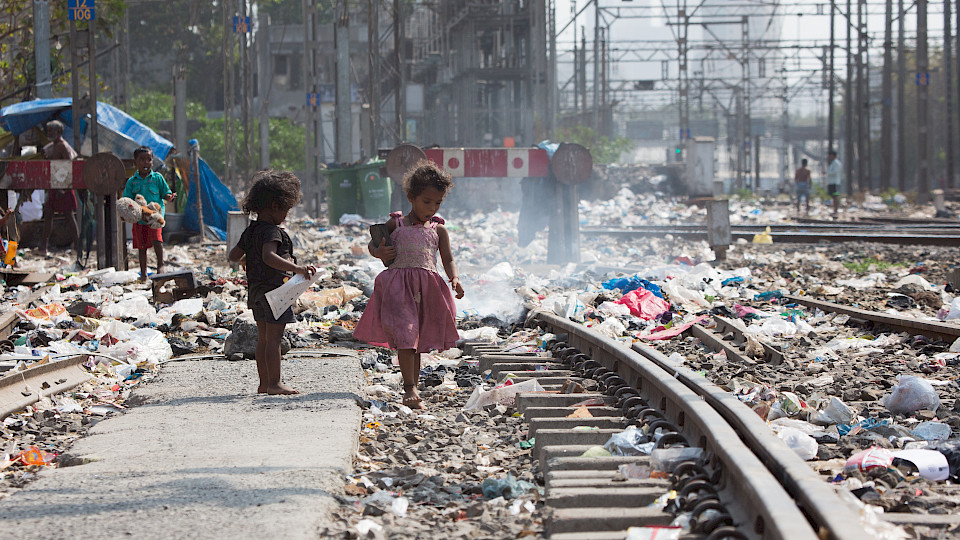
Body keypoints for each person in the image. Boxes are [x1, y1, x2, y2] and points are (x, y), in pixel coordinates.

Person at [353, 161, 465, 410]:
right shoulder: (396, 224)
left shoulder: (439, 230)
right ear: (411, 197)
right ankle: (410, 389)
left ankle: (413, 385)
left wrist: (454, 278)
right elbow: (374, 245)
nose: (432, 208)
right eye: (427, 202)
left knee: (417, 339)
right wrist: (379, 252)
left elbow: (448, 258)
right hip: (398, 288)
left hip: (427, 289)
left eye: (437, 203)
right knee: (406, 334)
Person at [228, 170, 316, 395]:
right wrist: (297, 269)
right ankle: (275, 384)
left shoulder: (251, 231)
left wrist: (249, 257)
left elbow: (233, 256)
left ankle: (264, 383)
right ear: (275, 206)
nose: (286, 215)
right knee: (274, 339)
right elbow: (269, 256)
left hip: (256, 292)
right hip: (276, 293)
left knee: (264, 339)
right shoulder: (272, 232)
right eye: (286, 209)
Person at [123, 146, 175, 280]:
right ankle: (143, 273)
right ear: (135, 162)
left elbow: (165, 192)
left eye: (149, 159)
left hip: (155, 217)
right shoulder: (132, 181)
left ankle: (160, 265)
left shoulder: (157, 178)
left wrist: (170, 197)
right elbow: (127, 199)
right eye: (142, 160)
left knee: (157, 240)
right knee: (142, 246)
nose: (146, 163)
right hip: (140, 218)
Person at [40, 120, 80, 257]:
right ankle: (43, 246)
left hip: (62, 185)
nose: (49, 133)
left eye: (52, 131)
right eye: (48, 131)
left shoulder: (63, 146)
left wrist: (63, 188)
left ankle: (77, 245)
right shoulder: (53, 146)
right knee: (49, 213)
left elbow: (69, 166)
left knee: (68, 215)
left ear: (59, 132)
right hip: (55, 183)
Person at [826, 150, 842, 217]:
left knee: (835, 196)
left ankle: (836, 210)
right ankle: (835, 210)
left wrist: (827, 173)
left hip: (835, 183)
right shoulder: (833, 163)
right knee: (833, 196)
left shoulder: (836, 163)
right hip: (832, 182)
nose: (830, 157)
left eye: (831, 156)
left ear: (834, 156)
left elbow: (835, 172)